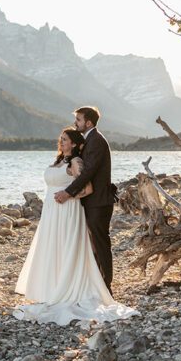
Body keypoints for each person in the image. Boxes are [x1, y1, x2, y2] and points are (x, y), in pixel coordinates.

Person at [14, 127, 137, 326]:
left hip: (67, 211)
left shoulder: (75, 162)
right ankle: (52, 287)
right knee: (53, 247)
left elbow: (87, 188)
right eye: (60, 139)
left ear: (74, 144)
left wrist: (68, 196)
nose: (61, 142)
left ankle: (69, 287)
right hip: (52, 212)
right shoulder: (59, 161)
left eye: (65, 139)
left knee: (66, 246)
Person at [54, 106, 115, 292]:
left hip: (99, 201)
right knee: (92, 244)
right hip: (91, 201)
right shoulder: (89, 140)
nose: (76, 123)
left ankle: (106, 287)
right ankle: (95, 284)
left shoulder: (96, 140)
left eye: (79, 120)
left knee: (100, 243)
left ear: (88, 122)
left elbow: (88, 171)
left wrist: (68, 192)